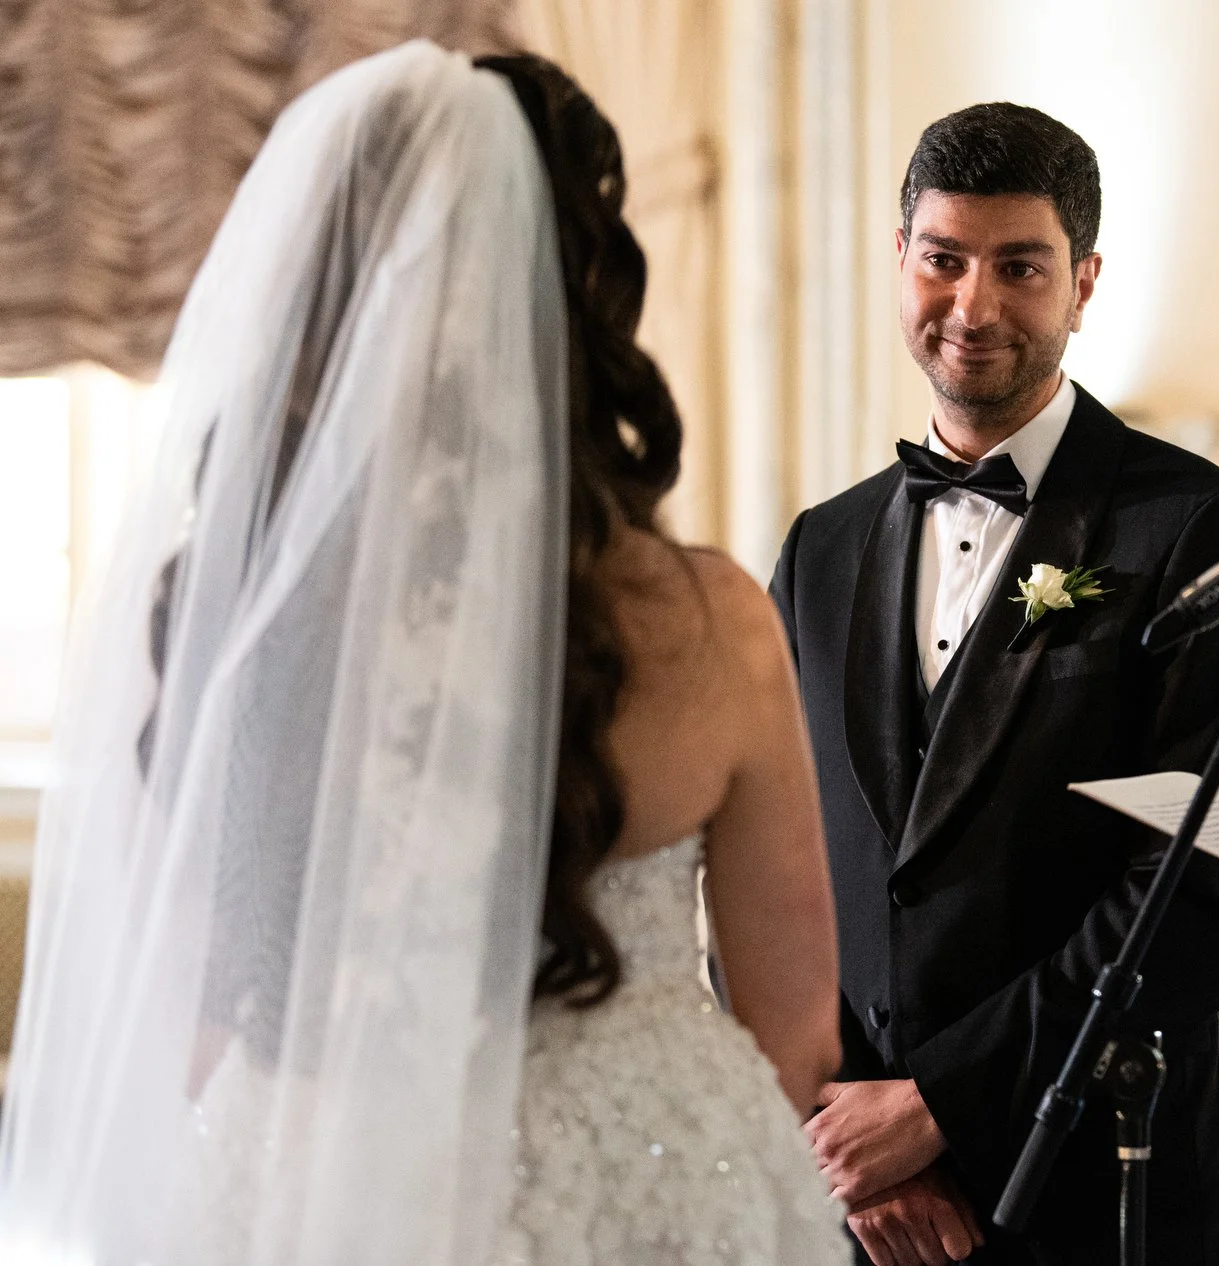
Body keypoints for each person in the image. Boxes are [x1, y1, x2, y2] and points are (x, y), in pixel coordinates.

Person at [0, 41, 849, 1266]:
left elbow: (174, 1013)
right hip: (649, 1188)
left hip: (313, 1172)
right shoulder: (706, 622)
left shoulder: (230, 613)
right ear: (586, 288)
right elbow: (797, 1032)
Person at [770, 102, 1219, 1266]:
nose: (974, 307)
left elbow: (1195, 908)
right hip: (854, 1194)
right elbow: (774, 866)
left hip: (1105, 1184)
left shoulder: (1206, 531)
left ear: (1084, 281)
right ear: (898, 260)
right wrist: (851, 1135)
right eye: (942, 261)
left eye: (1020, 267)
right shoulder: (818, 549)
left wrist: (939, 1108)